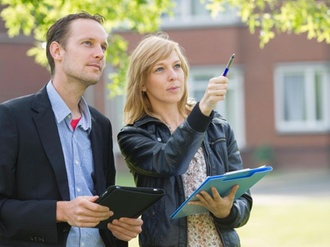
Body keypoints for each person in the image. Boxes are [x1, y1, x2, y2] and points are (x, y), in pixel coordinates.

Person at [0, 12, 142, 247]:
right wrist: (60, 211)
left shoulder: (101, 125)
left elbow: (104, 205)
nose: (99, 53)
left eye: (103, 47)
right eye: (88, 43)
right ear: (57, 51)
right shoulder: (11, 117)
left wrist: (120, 227)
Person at [117, 32, 252, 247]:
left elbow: (243, 200)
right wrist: (203, 108)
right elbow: (170, 162)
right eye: (160, 69)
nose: (173, 75)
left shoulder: (218, 127)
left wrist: (228, 211)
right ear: (142, 83)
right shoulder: (133, 135)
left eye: (177, 66)